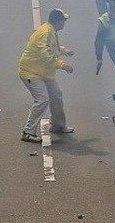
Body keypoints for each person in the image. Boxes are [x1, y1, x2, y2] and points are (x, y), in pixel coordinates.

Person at [18, 8, 74, 143]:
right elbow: (46, 55)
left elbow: (53, 47)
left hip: (43, 73)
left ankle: (58, 125)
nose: (64, 23)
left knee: (56, 95)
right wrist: (62, 65)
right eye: (63, 20)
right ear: (58, 21)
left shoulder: (50, 30)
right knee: (42, 100)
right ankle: (28, 132)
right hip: (31, 72)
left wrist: (65, 51)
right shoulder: (46, 32)